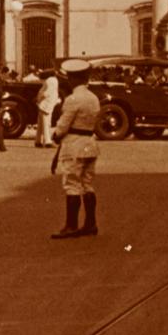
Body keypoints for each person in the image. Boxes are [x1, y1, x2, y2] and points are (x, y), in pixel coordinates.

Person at [49, 72, 108, 239]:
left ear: (73, 79)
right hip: (90, 142)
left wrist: (56, 135)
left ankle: (71, 225)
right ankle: (90, 223)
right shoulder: (93, 98)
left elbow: (64, 123)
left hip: (74, 144)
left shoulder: (73, 99)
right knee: (87, 183)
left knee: (72, 183)